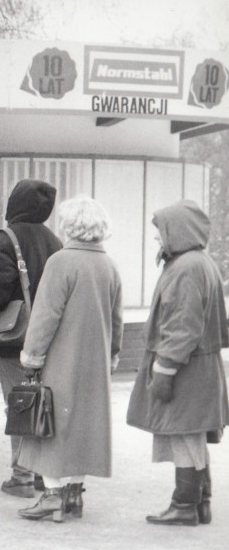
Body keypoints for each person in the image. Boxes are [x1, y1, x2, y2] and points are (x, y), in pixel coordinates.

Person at [16, 196, 123, 522]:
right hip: (96, 362)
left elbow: (45, 316)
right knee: (84, 428)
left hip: (62, 360)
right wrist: (113, 355)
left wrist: (31, 356)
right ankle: (75, 495)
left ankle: (52, 497)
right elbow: (116, 320)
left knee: (52, 426)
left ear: (69, 225)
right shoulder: (109, 265)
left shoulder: (61, 262)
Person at [127, 200, 229, 527]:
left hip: (187, 368)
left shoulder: (186, 268)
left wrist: (165, 368)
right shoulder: (199, 263)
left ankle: (184, 506)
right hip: (200, 367)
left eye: (162, 232)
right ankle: (199, 504)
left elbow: (184, 326)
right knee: (192, 436)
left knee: (185, 435)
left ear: (179, 231)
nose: (158, 239)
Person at [0, 179, 63, 498]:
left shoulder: (7, 238)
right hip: (50, 336)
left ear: (14, 204)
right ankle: (40, 472)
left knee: (19, 403)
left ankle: (21, 474)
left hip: (15, 338)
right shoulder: (55, 241)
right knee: (43, 402)